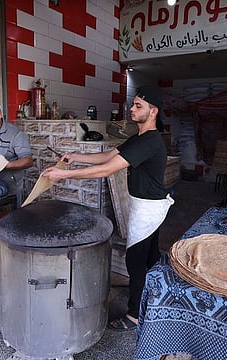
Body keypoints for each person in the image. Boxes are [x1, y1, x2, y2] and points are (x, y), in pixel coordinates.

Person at [43, 88, 174, 331]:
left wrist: (64, 174)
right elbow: (108, 156)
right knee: (151, 256)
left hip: (149, 209)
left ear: (153, 112)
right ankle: (159, 296)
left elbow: (107, 169)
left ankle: (135, 315)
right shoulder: (138, 138)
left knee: (136, 260)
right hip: (146, 204)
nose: (132, 109)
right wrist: (76, 156)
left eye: (138, 106)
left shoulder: (150, 141)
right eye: (133, 105)